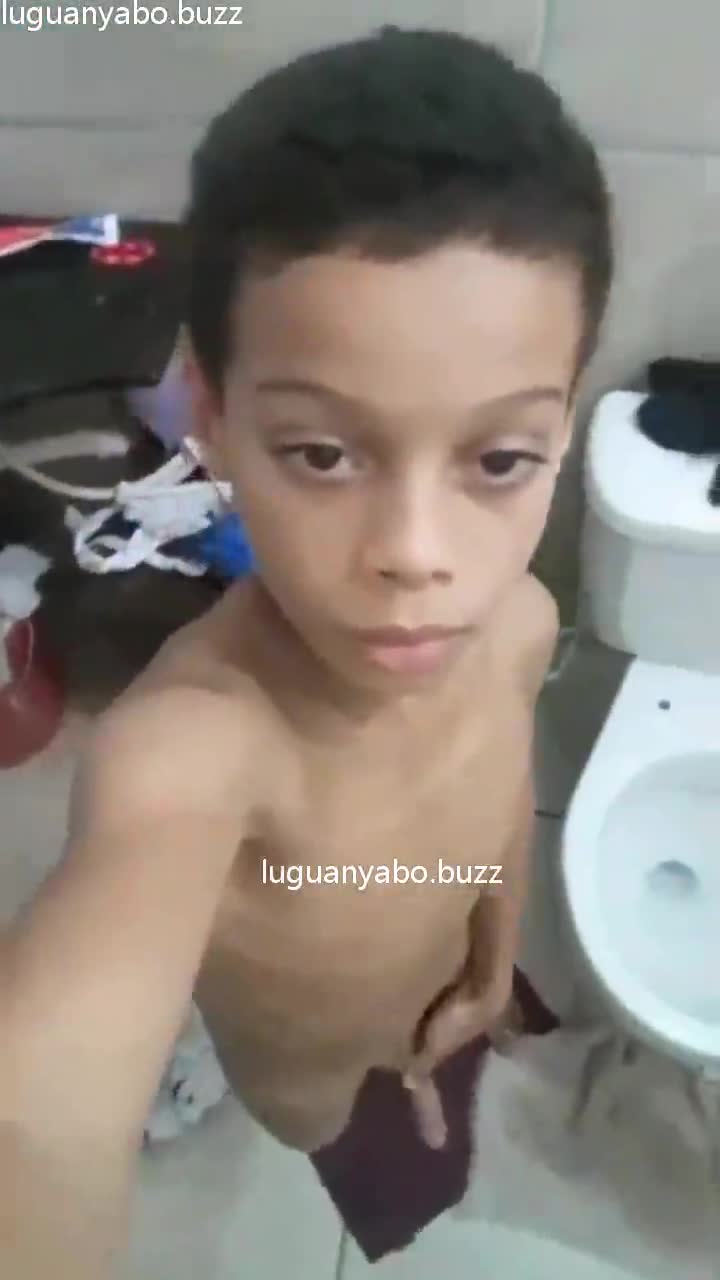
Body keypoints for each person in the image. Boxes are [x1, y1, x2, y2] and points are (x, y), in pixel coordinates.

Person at [5, 25, 613, 1276]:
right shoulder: (197, 751)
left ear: (563, 423)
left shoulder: (519, 620)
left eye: (501, 457)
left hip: (434, 988)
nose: (415, 555)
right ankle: (198, 1064)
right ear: (214, 416)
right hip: (301, 1081)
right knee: (311, 1120)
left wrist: (493, 952)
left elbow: (498, 795)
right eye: (323, 453)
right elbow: (34, 1117)